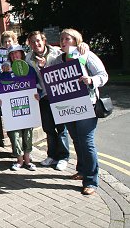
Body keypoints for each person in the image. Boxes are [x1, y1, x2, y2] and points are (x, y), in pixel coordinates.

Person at [54, 28, 108, 195]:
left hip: (87, 104)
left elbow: (103, 75)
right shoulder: (57, 60)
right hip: (68, 107)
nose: (63, 41)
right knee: (77, 140)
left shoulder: (86, 55)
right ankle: (83, 169)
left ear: (76, 40)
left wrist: (91, 80)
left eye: (67, 39)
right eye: (62, 39)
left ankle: (91, 181)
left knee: (86, 141)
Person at [25, 31, 70, 171]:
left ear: (44, 41)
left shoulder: (56, 53)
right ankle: (52, 156)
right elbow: (30, 79)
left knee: (61, 128)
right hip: (43, 97)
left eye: (38, 40)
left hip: (59, 94)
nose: (36, 44)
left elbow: (67, 67)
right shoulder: (28, 59)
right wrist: (36, 91)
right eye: (32, 42)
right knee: (49, 129)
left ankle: (63, 157)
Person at [0, 45, 39, 171]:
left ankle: (27, 159)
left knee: (28, 132)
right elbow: (1, 87)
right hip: (12, 109)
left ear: (22, 54)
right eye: (11, 54)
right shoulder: (6, 71)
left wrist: (37, 93)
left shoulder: (29, 69)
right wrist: (0, 99)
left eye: (16, 53)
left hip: (27, 106)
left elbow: (36, 84)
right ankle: (19, 160)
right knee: (14, 134)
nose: (14, 56)